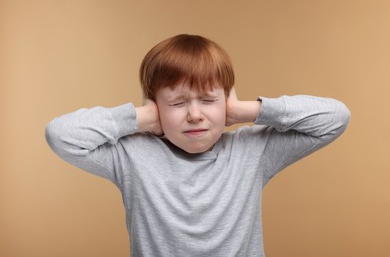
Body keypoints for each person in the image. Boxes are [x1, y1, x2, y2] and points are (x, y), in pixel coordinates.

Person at [45, 34, 350, 256]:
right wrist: (141, 118)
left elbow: (334, 118)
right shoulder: (132, 154)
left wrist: (246, 111)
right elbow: (61, 135)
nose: (195, 114)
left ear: (227, 100)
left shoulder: (251, 151)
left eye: (208, 100)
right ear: (154, 105)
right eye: (176, 102)